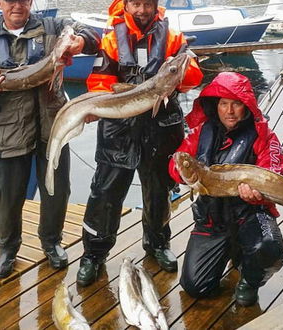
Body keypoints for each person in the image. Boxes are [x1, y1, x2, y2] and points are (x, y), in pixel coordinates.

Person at [0, 0, 100, 279]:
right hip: (9, 133)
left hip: (53, 129)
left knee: (56, 192)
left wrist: (80, 41)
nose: (17, 5)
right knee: (7, 197)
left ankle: (52, 242)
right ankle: (8, 248)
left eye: (23, 0)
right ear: (0, 3)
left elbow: (93, 37)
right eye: (10, 0)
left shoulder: (54, 28)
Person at [76, 0, 203, 286]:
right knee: (105, 195)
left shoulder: (173, 37)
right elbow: (97, 82)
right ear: (126, 4)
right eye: (136, 4)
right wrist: (109, 102)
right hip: (118, 132)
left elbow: (194, 75)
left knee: (159, 191)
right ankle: (93, 254)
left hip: (161, 130)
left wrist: (181, 72)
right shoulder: (111, 39)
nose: (143, 10)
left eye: (148, 4)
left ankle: (157, 244)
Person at [168, 72, 283, 306]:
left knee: (270, 248)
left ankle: (250, 281)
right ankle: (233, 251)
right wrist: (180, 172)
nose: (229, 111)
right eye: (223, 104)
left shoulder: (263, 135)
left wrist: (256, 197)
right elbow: (176, 163)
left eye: (236, 104)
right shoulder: (201, 132)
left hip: (249, 215)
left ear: (247, 106)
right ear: (216, 105)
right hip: (212, 221)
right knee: (195, 286)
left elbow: (274, 173)